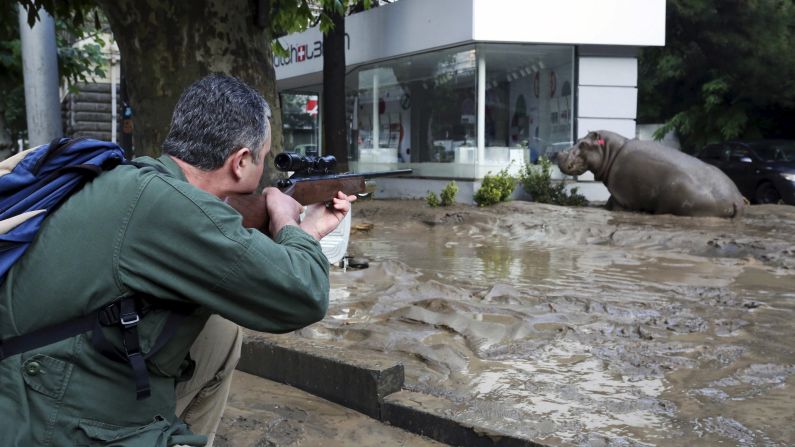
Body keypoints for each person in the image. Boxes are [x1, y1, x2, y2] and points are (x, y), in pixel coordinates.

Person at [0, 74, 355, 446]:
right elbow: (303, 295)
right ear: (241, 161)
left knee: (219, 335)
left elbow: (240, 266)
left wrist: (303, 231)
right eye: (264, 159)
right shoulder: (169, 208)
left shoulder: (139, 180)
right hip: (43, 409)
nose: (264, 171)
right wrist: (289, 221)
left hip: (46, 370)